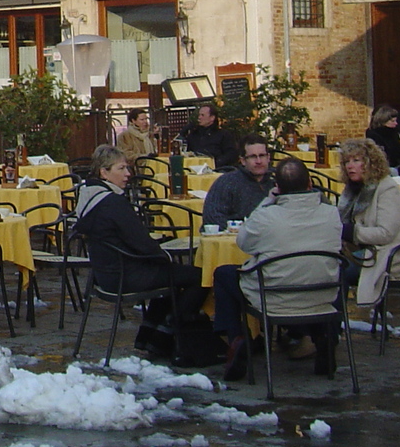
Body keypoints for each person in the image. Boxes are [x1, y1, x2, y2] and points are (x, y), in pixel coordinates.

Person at [212, 157, 344, 380]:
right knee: (317, 272)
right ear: (310, 184)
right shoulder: (331, 214)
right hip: (323, 295)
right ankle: (324, 336)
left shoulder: (266, 216)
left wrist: (266, 202)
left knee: (224, 273)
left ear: (278, 187)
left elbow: (244, 243)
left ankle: (237, 338)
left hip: (274, 297)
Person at [75, 144, 207, 358]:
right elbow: (142, 243)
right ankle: (164, 334)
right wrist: (164, 254)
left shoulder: (87, 197)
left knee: (169, 273)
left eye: (127, 168)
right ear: (104, 172)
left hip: (104, 275)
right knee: (200, 277)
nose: (128, 174)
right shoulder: (113, 204)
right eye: (121, 169)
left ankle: (148, 337)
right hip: (126, 276)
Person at [336, 137, 400, 316]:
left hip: (389, 254)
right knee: (323, 262)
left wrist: (350, 232)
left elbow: (386, 233)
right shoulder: (351, 189)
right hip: (364, 251)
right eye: (347, 162)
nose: (350, 166)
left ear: (370, 162)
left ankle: (333, 326)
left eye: (356, 160)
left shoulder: (387, 189)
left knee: (337, 270)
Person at [201, 135, 274, 228]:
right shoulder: (227, 183)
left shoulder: (276, 183)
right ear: (243, 160)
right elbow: (213, 218)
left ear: (268, 157)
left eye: (262, 156)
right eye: (253, 157)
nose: (258, 161)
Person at [180, 103, 237, 170]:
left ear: (212, 118)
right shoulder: (193, 135)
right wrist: (183, 133)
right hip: (195, 169)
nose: (199, 117)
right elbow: (183, 150)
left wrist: (216, 163)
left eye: (202, 115)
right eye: (199, 115)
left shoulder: (223, 135)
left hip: (218, 169)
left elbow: (231, 154)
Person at [364, 105, 400, 171]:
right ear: (383, 122)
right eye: (393, 121)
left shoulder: (394, 131)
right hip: (390, 167)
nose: (396, 124)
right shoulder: (374, 135)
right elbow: (388, 155)